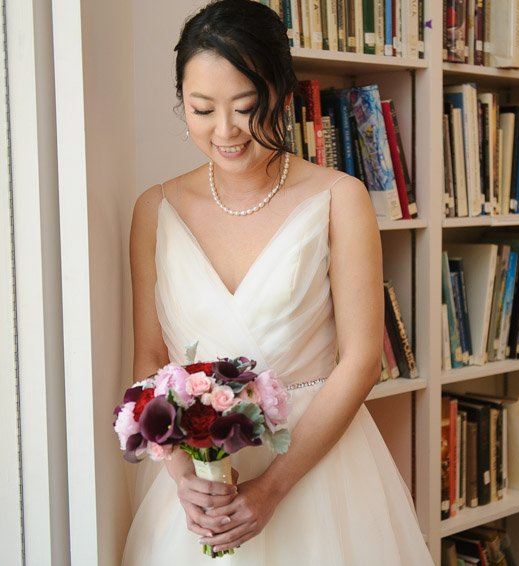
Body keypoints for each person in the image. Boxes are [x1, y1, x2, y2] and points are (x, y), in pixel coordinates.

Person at [123, 1, 433, 564]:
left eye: (246, 107)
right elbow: (150, 360)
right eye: (201, 109)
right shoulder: (154, 209)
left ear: (285, 97)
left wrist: (271, 488)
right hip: (200, 490)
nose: (225, 131)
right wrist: (181, 475)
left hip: (318, 474)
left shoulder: (341, 198)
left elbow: (363, 361)